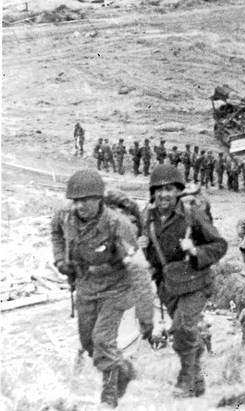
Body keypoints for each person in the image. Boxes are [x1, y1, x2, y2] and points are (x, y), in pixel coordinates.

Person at [51, 169, 140, 407]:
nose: (80, 206)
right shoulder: (65, 216)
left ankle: (109, 398)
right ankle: (123, 368)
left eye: (85, 201)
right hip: (86, 288)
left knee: (102, 341)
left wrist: (110, 266)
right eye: (76, 201)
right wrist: (60, 260)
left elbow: (135, 261)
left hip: (116, 289)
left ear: (99, 199)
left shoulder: (117, 223)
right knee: (90, 344)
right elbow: (56, 234)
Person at [141, 165, 227, 398]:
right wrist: (146, 258)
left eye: (169, 189)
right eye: (158, 190)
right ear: (152, 193)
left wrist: (196, 250)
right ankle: (197, 381)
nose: (163, 195)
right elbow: (153, 254)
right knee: (185, 333)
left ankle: (186, 381)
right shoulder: (148, 217)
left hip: (196, 282)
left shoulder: (191, 214)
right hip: (168, 286)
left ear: (178, 192)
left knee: (182, 329)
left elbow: (220, 245)